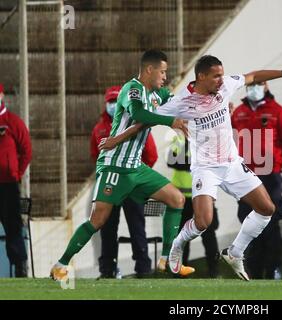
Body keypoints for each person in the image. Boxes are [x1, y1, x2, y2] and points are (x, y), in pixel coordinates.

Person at [102, 55, 282, 280]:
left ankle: (235, 252)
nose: (222, 80)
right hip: (206, 169)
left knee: (267, 209)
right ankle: (177, 246)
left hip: (232, 164)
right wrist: (117, 139)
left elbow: (253, 76)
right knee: (203, 222)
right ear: (201, 76)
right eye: (216, 76)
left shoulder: (226, 86)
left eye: (222, 74)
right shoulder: (181, 102)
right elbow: (144, 121)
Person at [50, 49, 191, 281]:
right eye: (163, 72)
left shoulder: (157, 95)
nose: (165, 77)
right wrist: (169, 121)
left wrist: (212, 106)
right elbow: (139, 114)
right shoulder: (132, 89)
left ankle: (166, 259)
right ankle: (61, 264)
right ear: (149, 70)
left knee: (177, 199)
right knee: (98, 221)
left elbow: (181, 104)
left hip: (136, 168)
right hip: (115, 166)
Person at [231, 81, 282, 279]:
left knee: (270, 225)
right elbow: (230, 142)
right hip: (245, 177)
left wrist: (277, 163)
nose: (255, 87)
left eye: (259, 84)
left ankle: (274, 270)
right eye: (251, 84)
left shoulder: (279, 112)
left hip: (270, 177)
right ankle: (253, 271)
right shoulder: (239, 112)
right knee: (247, 224)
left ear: (267, 86)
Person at [90, 85, 159, 278]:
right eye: (110, 101)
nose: (113, 105)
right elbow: (95, 155)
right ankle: (107, 269)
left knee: (136, 226)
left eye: (116, 101)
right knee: (107, 227)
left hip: (131, 185)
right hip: (109, 185)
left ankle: (143, 268)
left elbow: (151, 154)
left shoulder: (137, 123)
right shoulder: (99, 128)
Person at [165, 134, 220, 278]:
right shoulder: (179, 139)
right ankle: (180, 272)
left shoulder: (208, 138)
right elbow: (171, 161)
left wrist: (188, 162)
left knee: (209, 234)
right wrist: (195, 162)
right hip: (183, 197)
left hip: (203, 195)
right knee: (182, 237)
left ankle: (214, 271)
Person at [0, 83, 32, 277]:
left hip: (8, 185)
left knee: (13, 226)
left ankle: (20, 266)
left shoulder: (13, 122)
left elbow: (26, 151)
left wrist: (16, 173)